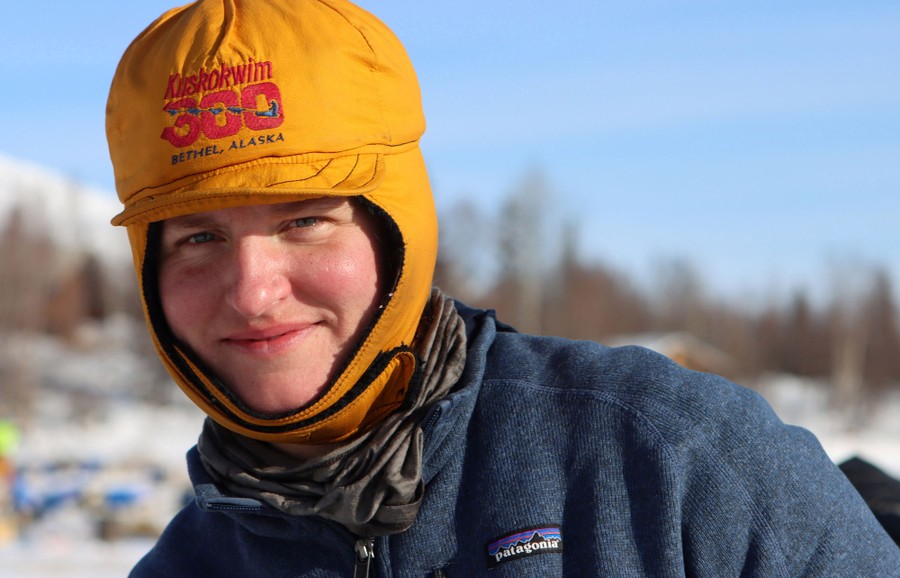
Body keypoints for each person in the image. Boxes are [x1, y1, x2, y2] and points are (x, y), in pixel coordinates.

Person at [106, 0, 900, 575]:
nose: (251, 292)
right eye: (198, 239)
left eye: (306, 221)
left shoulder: (672, 464)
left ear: (399, 227)